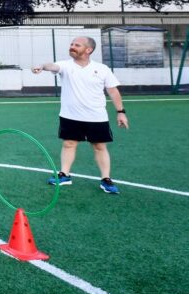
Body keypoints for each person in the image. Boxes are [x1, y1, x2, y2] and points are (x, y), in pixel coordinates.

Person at [32, 36, 129, 194]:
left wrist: (121, 112)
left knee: (99, 146)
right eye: (71, 44)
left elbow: (113, 90)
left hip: (97, 117)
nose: (72, 47)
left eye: (77, 45)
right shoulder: (65, 65)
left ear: (88, 49)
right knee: (69, 144)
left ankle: (106, 179)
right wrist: (42, 66)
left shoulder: (102, 69)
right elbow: (53, 66)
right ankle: (64, 174)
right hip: (70, 116)